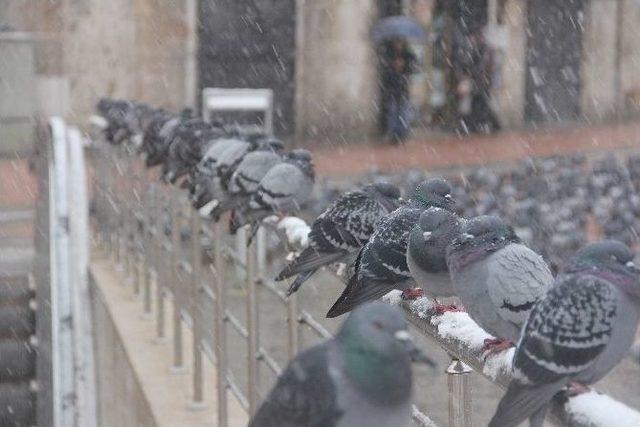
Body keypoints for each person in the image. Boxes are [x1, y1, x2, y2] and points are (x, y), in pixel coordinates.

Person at [381, 38, 417, 143]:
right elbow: (385, 71)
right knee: (393, 112)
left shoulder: (408, 54)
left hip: (403, 88)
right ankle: (393, 134)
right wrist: (393, 66)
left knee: (403, 111)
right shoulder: (389, 54)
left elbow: (413, 68)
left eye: (400, 42)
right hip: (392, 88)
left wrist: (404, 66)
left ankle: (402, 134)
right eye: (396, 42)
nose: (398, 44)